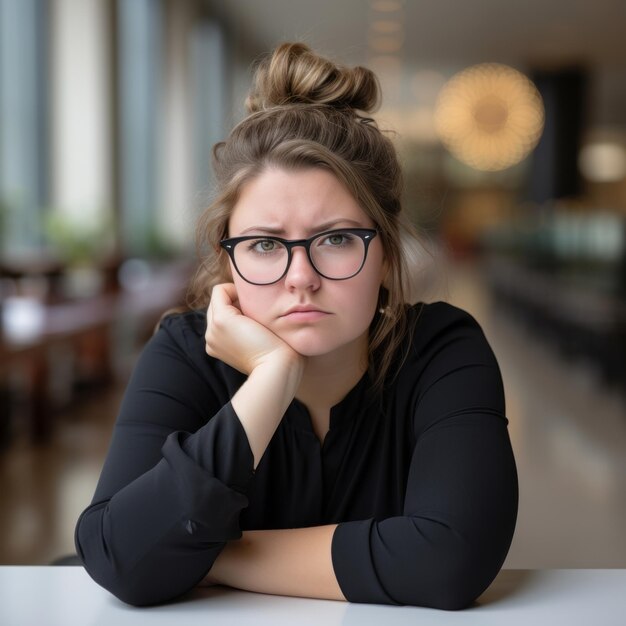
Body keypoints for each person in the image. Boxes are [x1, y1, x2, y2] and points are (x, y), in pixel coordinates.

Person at [75, 42, 518, 610]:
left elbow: (450, 561)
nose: (300, 278)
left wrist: (206, 557)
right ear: (227, 257)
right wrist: (271, 377)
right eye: (264, 244)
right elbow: (118, 558)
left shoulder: (441, 350)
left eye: (335, 239)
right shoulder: (185, 352)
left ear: (384, 252)